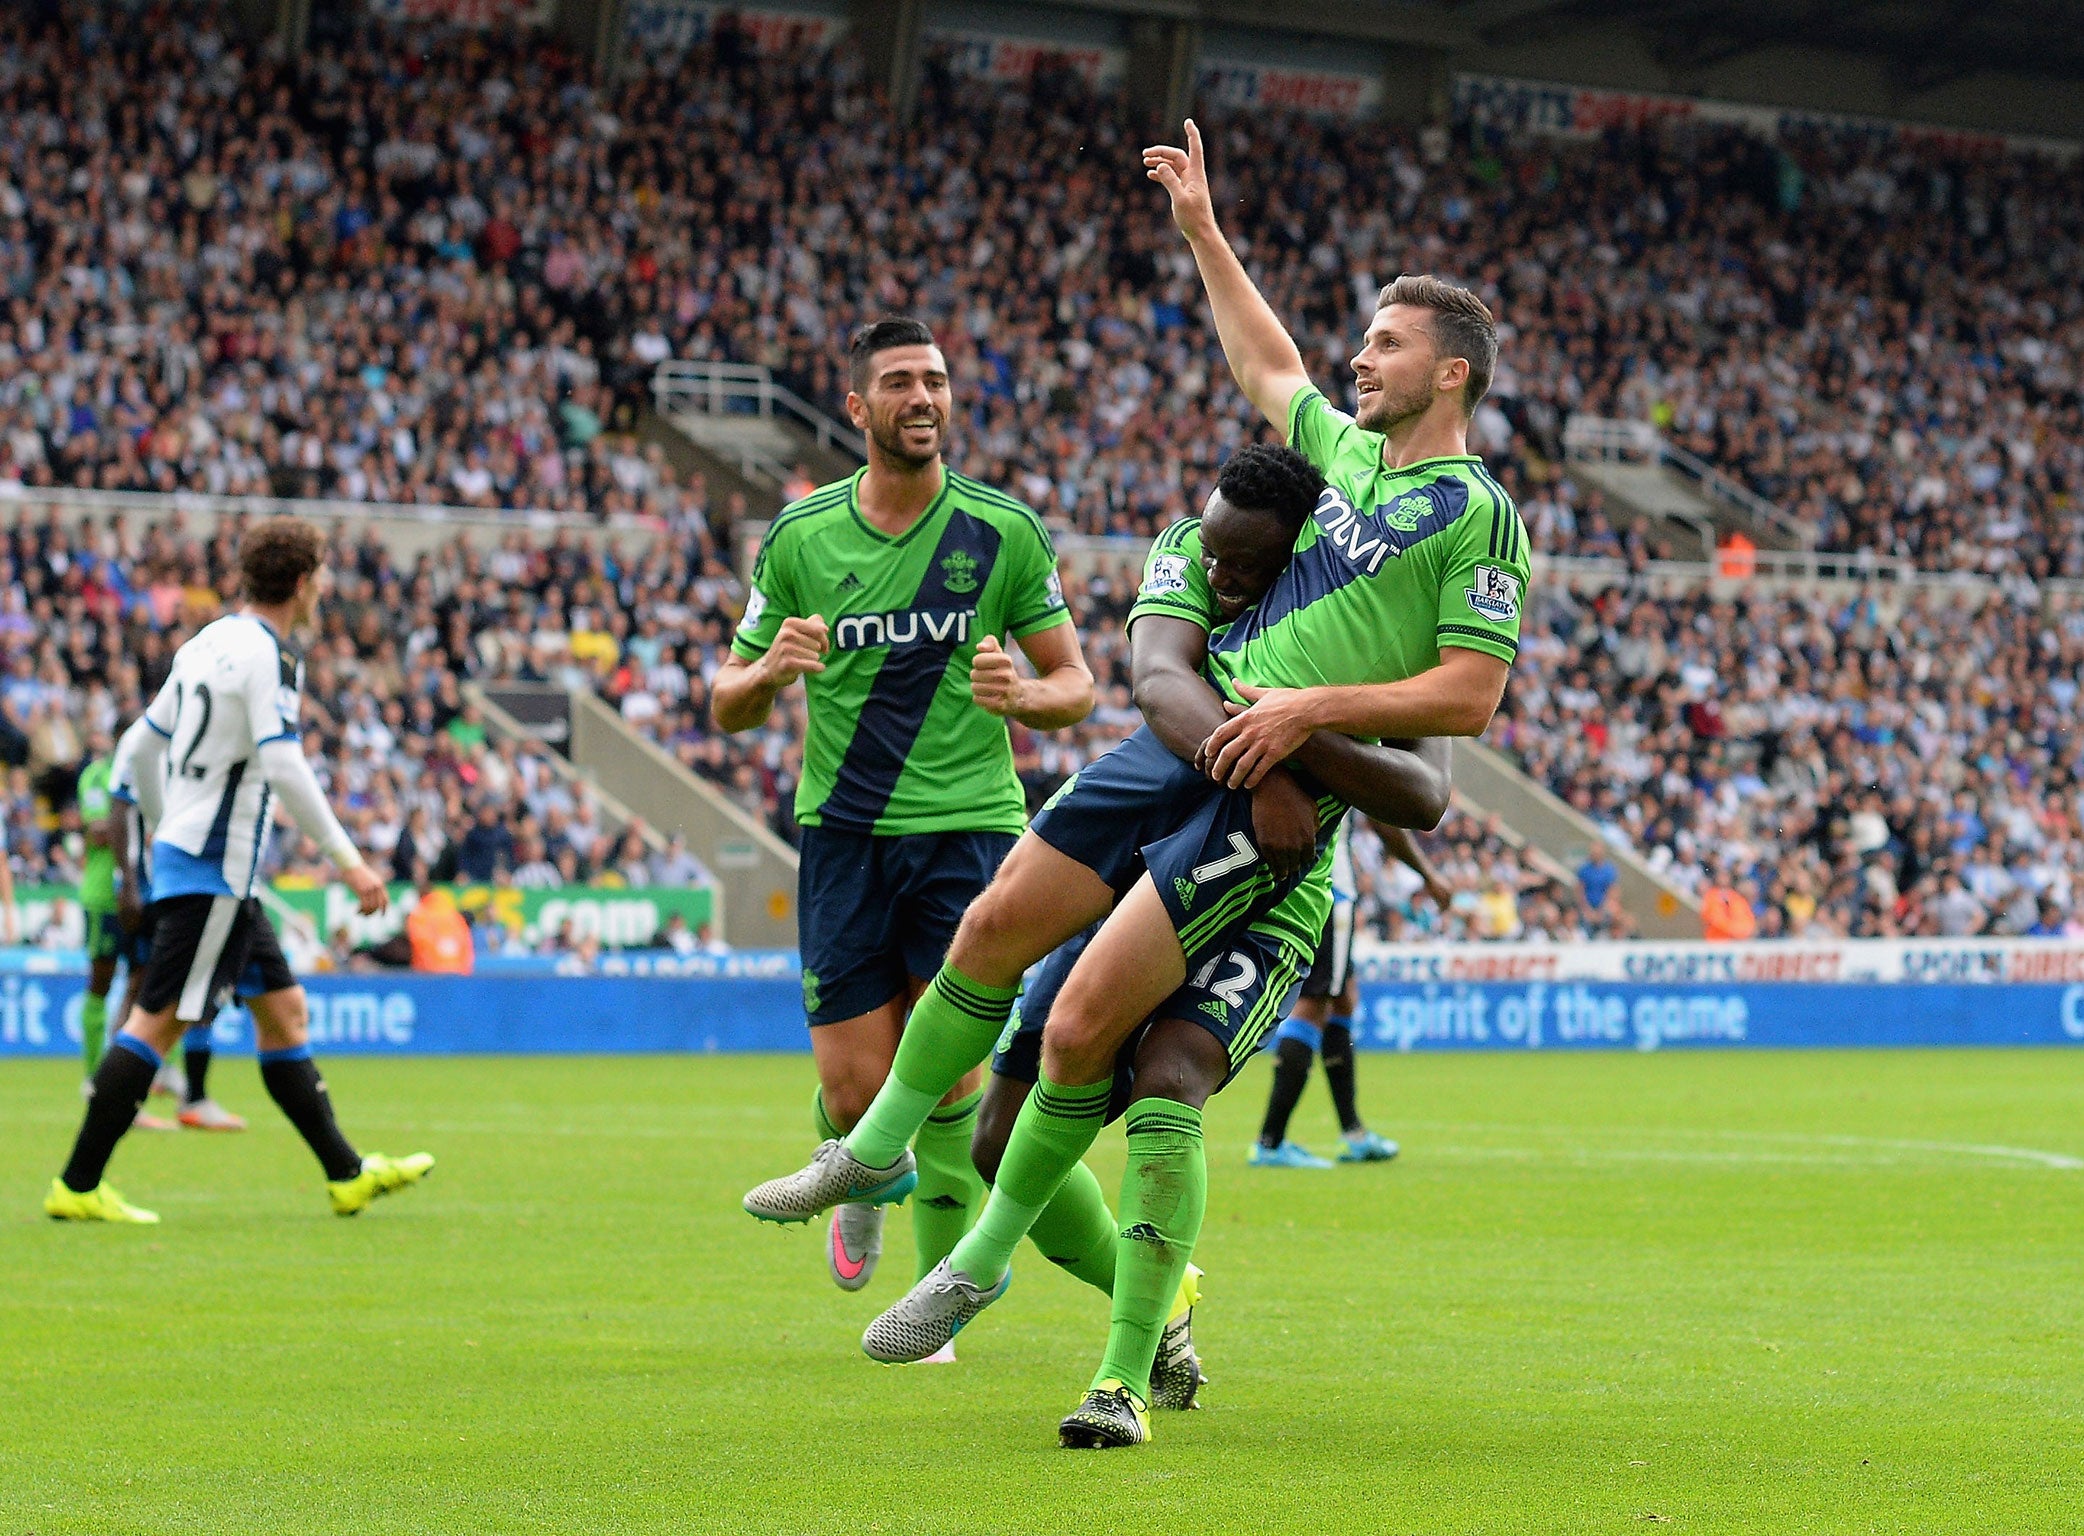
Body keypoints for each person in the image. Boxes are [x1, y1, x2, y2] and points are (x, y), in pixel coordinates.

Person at [744, 121, 1530, 1449]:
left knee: (1096, 1037)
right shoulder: (1338, 463)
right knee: (999, 930)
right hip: (1185, 749)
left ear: (1451, 371)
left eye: (1388, 343)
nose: (1360, 356)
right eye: (1366, 339)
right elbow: (1265, 359)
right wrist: (1201, 230)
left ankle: (1004, 1278)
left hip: (1247, 786)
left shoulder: (1477, 512)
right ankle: (875, 1149)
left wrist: (1306, 712)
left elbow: (1467, 696)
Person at [972, 448, 1454, 1411]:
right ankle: (1162, 1303)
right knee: (998, 1137)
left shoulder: (1382, 619)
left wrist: (1304, 724)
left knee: (1169, 1084)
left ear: (1301, 553)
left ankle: (1120, 1375)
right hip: (1141, 860)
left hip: (1265, 898)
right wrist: (1271, 766)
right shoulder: (1193, 558)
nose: (1223, 578)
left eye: (1248, 567)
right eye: (1219, 561)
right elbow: (1157, 680)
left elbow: (1425, 787)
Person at [715, 318, 1094, 1325]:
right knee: (853, 1095)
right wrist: (765, 671)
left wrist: (1023, 695)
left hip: (968, 829)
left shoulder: (1000, 530)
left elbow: (1078, 685)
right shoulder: (799, 538)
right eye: (898, 382)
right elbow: (725, 699)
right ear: (857, 407)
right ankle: (858, 1175)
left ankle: (943, 1303)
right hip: (840, 835)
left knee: (955, 1078)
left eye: (934, 380)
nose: (922, 397)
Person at [44, 517, 434, 1224]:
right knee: (155, 1024)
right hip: (216, 869)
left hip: (214, 870)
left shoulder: (207, 642)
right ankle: (76, 1184)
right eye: (321, 576)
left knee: (284, 1014)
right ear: (304, 582)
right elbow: (282, 763)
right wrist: (348, 863)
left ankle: (347, 1174)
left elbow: (138, 748)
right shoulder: (270, 656)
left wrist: (165, 826)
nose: (324, 590)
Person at [1252, 814, 1451, 1168]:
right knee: (1315, 1003)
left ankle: (1354, 1133)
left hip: (1304, 882)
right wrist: (1429, 875)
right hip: (1329, 888)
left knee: (1343, 999)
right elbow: (1382, 819)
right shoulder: (1344, 758)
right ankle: (1271, 1141)